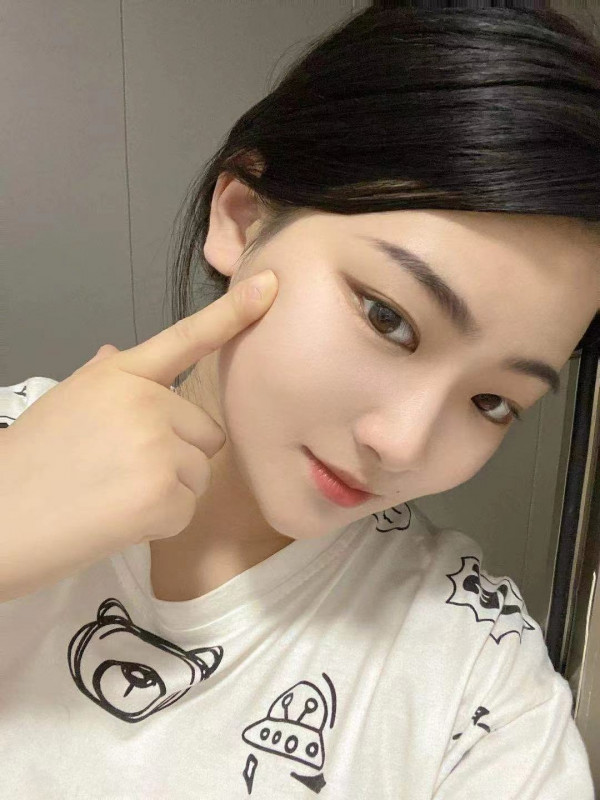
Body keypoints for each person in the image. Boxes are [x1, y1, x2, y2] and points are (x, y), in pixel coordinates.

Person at [1, 3, 599, 797]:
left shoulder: (475, 674)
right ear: (241, 218)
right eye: (387, 318)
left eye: (493, 402)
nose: (403, 445)